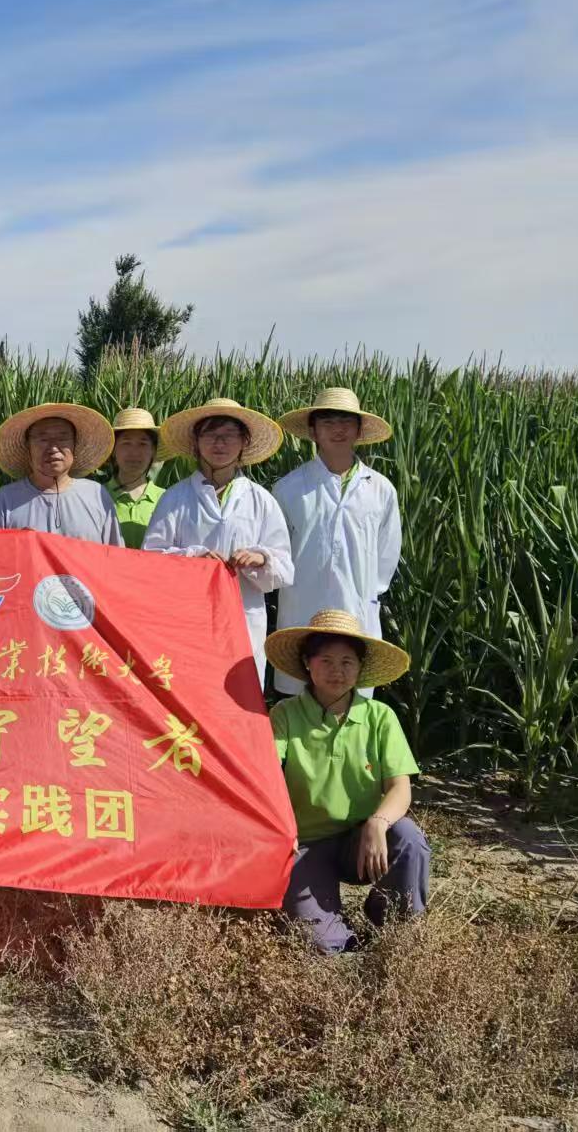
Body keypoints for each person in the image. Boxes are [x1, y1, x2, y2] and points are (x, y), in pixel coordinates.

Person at [264, 609, 427, 955]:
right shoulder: (285, 715)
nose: (336, 671)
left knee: (408, 838)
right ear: (307, 663)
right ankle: (340, 937)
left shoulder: (380, 717)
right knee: (321, 946)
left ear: (360, 668)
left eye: (347, 662)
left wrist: (377, 823)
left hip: (363, 841)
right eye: (326, 660)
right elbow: (266, 777)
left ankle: (389, 921)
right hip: (305, 846)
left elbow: (400, 787)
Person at [145, 398, 294, 680]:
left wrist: (261, 558)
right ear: (196, 442)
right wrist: (193, 558)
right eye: (210, 434)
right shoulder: (175, 498)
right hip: (187, 620)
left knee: (239, 693)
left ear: (244, 441)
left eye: (229, 435)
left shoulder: (261, 500)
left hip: (244, 618)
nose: (219, 443)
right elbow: (151, 560)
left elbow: (285, 568)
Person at [271, 388, 401, 699]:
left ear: (359, 430)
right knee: (297, 703)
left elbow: (385, 558)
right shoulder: (289, 488)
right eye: (327, 422)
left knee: (353, 705)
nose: (337, 430)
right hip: (301, 611)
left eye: (346, 422)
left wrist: (364, 591)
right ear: (313, 431)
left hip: (358, 611)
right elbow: (278, 554)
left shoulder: (381, 489)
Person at [0, 403, 121, 545]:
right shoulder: (3, 501)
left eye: (62, 439)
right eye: (43, 439)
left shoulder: (97, 496)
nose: (53, 448)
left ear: (75, 445)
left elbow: (115, 555)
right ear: (28, 447)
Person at [103, 407, 168, 548]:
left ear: (153, 451)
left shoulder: (167, 499)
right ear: (113, 450)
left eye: (143, 444)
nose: (134, 452)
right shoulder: (98, 497)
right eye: (126, 443)